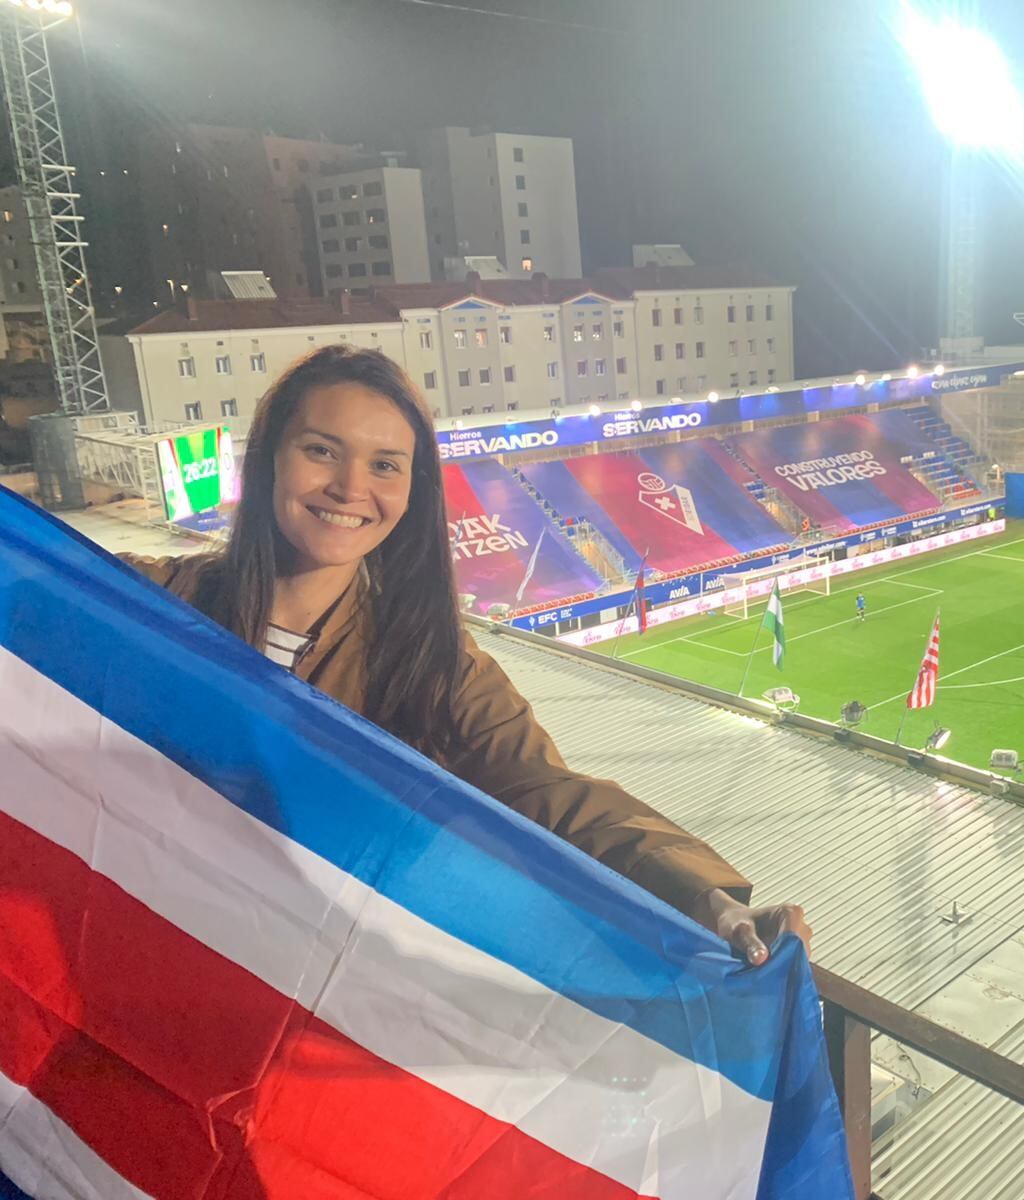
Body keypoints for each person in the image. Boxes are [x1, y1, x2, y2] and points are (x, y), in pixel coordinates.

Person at [120, 346, 807, 966]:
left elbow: (552, 797)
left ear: (412, 490)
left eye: (385, 465)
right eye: (322, 451)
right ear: (270, 456)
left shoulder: (436, 666)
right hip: (146, 946)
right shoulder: (144, 599)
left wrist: (704, 898)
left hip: (295, 978)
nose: (351, 487)